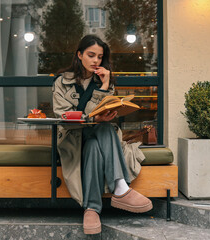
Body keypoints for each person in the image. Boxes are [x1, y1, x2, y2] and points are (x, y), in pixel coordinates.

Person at [52, 35, 152, 235]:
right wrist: (95, 109)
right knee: (101, 131)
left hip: (97, 137)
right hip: (73, 139)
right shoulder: (61, 83)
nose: (96, 61)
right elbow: (64, 116)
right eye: (91, 55)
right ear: (79, 55)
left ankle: (91, 210)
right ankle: (121, 188)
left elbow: (101, 112)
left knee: (98, 141)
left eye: (99, 56)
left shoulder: (105, 80)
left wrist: (105, 87)